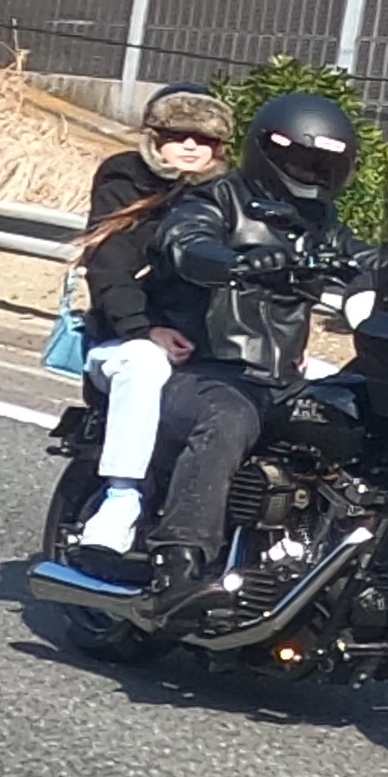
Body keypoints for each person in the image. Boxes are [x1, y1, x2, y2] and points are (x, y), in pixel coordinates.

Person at [134, 91, 378, 593]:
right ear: (267, 151)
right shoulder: (214, 200)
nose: (311, 173)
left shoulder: (323, 224)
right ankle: (179, 560)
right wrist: (234, 261)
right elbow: (186, 244)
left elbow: (366, 257)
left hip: (281, 380)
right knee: (229, 418)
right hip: (203, 372)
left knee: (366, 416)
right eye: (301, 161)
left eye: (323, 165)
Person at [72, 84, 236, 556]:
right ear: (154, 137)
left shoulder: (235, 198)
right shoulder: (125, 180)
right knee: (145, 363)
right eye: (178, 135)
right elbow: (109, 267)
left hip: (211, 347)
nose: (191, 146)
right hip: (124, 341)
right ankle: (121, 499)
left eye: (205, 139)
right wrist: (146, 330)